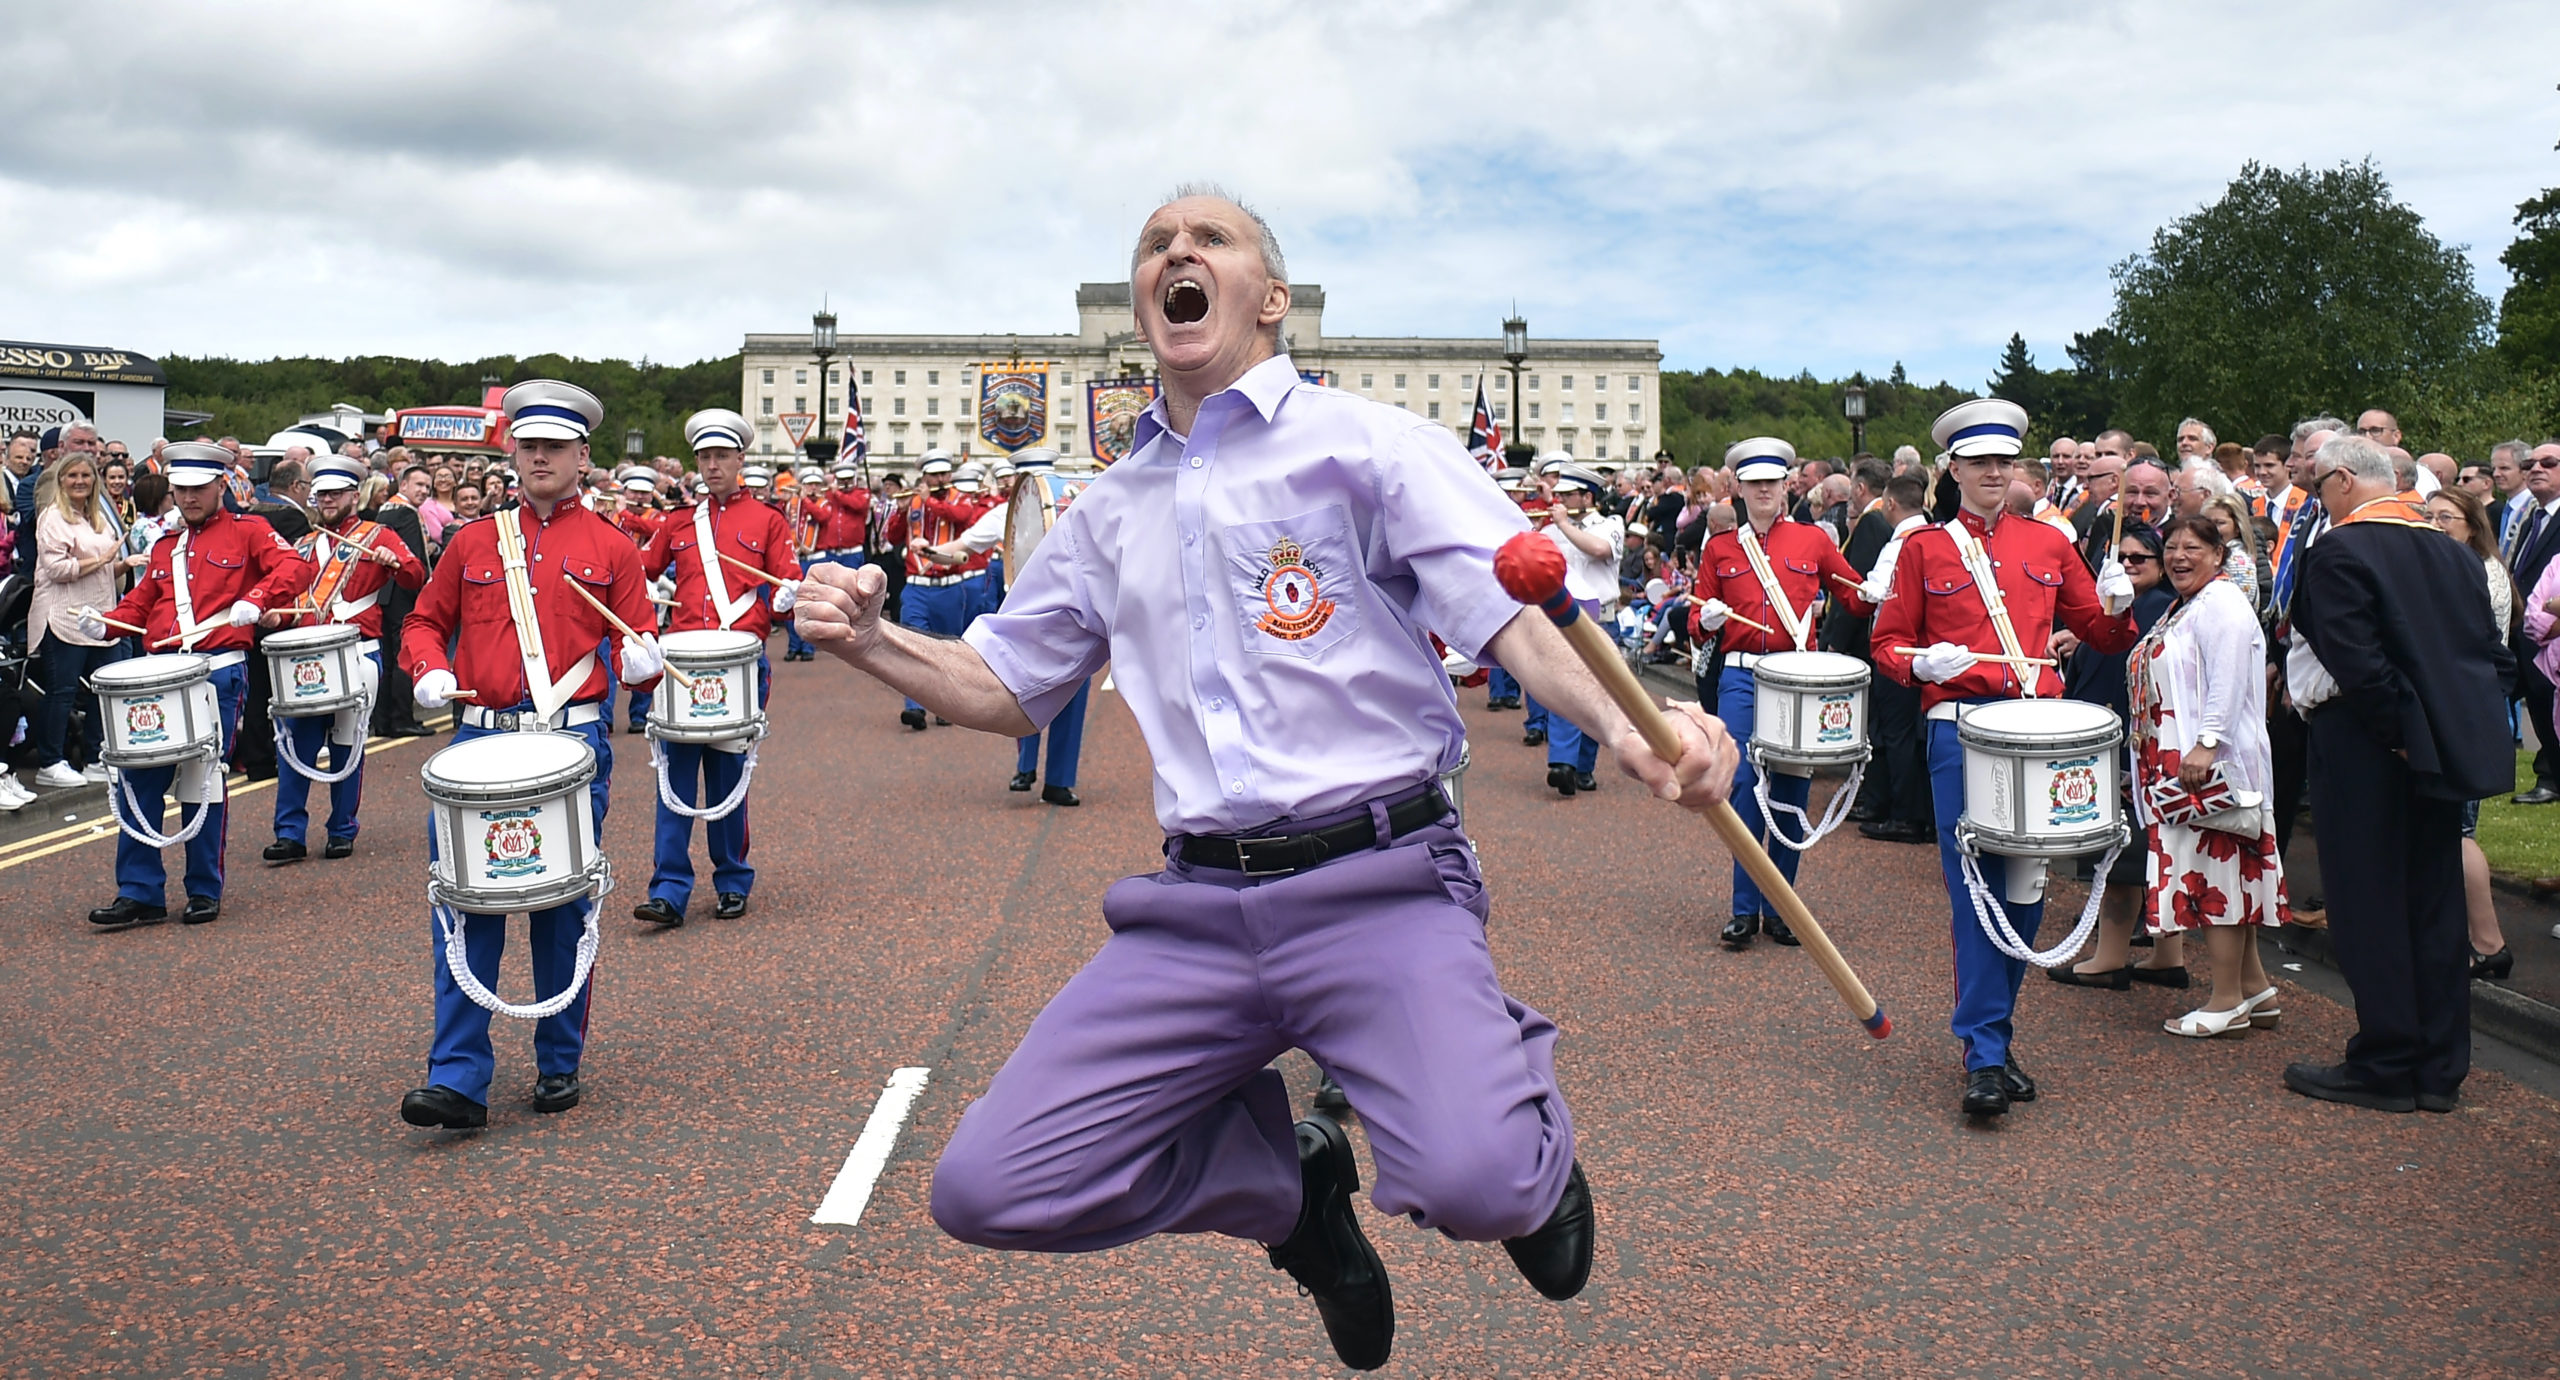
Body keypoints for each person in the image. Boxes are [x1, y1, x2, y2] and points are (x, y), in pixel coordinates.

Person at [792, 188, 1734, 1372]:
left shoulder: (1371, 446)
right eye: (1153, 247)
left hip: (1380, 878)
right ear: (1141, 309)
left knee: (1476, 1182)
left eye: (1210, 240)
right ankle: (1294, 1197)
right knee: (989, 1188)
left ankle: (1520, 1155)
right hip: (1196, 910)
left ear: (1270, 299)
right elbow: (1007, 687)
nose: (1176, 253)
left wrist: (1635, 726)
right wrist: (871, 640)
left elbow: (1516, 613)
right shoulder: (1107, 511)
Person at [397, 381, 660, 1131]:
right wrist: (428, 667)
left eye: (555, 446)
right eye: (528, 445)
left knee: (560, 902)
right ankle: (457, 1079)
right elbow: (423, 621)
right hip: (479, 738)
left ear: (583, 456)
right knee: (464, 899)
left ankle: (558, 1060)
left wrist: (642, 659)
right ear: (512, 451)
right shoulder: (473, 541)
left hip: (570, 737)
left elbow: (637, 637)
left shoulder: (612, 546)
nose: (539, 456)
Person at [1869, 398, 2139, 1118]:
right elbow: (1886, 645)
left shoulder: (2049, 544)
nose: (1992, 472)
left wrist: (2119, 605)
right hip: (1961, 727)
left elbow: (2104, 638)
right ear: (1951, 469)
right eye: (1978, 461)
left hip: (2039, 728)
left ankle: (1993, 1035)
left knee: (2025, 893)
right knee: (1974, 891)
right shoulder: (1923, 548)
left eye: (2003, 461)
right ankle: (1983, 1051)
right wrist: (1921, 665)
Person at [2284, 434, 2513, 1112]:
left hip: (2368, 743)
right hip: (2435, 741)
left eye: (2321, 485)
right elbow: (2483, 656)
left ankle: (2385, 1061)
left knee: (2369, 904)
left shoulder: (2340, 550)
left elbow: (2356, 664)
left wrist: (2398, 735)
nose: (2319, 498)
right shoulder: (2453, 554)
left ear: (2346, 481)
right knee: (2434, 904)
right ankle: (2440, 1067)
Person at [78, 444, 314, 929]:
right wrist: (105, 625)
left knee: (201, 779)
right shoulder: (166, 546)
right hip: (161, 672)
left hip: (217, 671)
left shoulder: (250, 531)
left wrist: (258, 597)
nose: (187, 497)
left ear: (220, 486)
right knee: (138, 777)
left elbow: (294, 568)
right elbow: (141, 605)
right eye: (179, 489)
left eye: (197, 488)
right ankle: (139, 891)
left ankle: (203, 888)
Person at [630, 410, 802, 928]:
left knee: (728, 777)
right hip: (684, 663)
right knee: (674, 778)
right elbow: (640, 572)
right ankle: (669, 889)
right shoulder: (679, 522)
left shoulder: (768, 520)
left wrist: (788, 595)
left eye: (721, 456)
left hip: (737, 664)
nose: (711, 466)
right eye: (704, 457)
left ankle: (731, 878)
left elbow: (786, 586)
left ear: (739, 459)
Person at [1692, 437, 1868, 942]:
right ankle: (1744, 908)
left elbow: (1853, 598)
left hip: (1798, 678)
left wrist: (1877, 589)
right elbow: (1698, 620)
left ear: (1786, 485)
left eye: (1772, 481)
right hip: (1742, 675)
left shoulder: (1813, 541)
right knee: (1743, 788)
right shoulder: (1722, 548)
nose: (1764, 490)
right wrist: (1702, 618)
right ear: (1739, 489)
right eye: (1754, 482)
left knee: (1791, 791)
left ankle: (1782, 908)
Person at [2121, 517, 2289, 1037]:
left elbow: (2229, 677)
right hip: (2182, 765)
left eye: (2192, 547)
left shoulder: (2222, 604)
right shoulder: (2190, 604)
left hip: (2205, 768)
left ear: (2219, 554)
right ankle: (2255, 990)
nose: (2178, 557)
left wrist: (2206, 743)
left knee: (2218, 881)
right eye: (2170, 547)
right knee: (2233, 878)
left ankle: (2226, 1001)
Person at [260, 454, 424, 862]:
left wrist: (397, 564)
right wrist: (275, 614)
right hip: (307, 654)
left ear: (354, 495)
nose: (328, 500)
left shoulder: (378, 535)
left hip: (356, 649)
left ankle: (342, 829)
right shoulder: (301, 544)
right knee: (296, 742)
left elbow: (417, 576)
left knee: (347, 743)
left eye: (336, 493)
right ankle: (290, 833)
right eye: (322, 494)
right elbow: (285, 598)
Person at [2047, 520, 2184, 989]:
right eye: (2119, 558)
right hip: (2134, 744)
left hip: (2128, 744)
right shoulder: (2130, 606)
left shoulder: (2155, 608)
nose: (2127, 565)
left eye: (2138, 559)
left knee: (2122, 861)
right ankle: (2168, 955)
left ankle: (2108, 958)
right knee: (2151, 854)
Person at [920, 449, 1092, 807]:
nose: (1022, 487)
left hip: (1071, 612)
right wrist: (931, 551)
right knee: (1025, 692)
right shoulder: (1004, 513)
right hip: (1024, 615)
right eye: (1019, 482)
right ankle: (1026, 768)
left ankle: (1059, 780)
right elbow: (964, 546)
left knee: (1070, 699)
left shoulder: (1080, 504)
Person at [2426, 485, 2515, 978]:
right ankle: (2462, 938)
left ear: (2471, 526)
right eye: (2430, 516)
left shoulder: (2481, 572)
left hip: (2467, 710)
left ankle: (2489, 942)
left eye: (2447, 518)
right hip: (2457, 705)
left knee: (2459, 828)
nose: (2437, 525)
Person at [28, 452, 144, 792]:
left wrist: (123, 565)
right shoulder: (52, 517)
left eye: (86, 476)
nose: (80, 481)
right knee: (61, 693)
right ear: (60, 481)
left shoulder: (96, 518)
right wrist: (103, 559)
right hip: (63, 616)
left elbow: (105, 566)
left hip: (100, 616)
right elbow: (57, 570)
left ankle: (95, 758)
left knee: (102, 692)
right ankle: (50, 762)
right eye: (72, 476)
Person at [1852, 473, 1935, 845]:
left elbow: (1875, 592)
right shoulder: (1936, 535)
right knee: (1915, 733)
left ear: (1890, 504)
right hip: (1927, 648)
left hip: (1898, 648)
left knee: (1895, 733)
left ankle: (1905, 814)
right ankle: (1919, 811)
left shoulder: (1899, 543)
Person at [1532, 462, 1624, 797]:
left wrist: (1564, 526)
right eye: (1558, 495)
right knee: (1564, 688)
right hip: (1562, 620)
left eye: (1568, 495)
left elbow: (1599, 550)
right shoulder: (1550, 530)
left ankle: (1583, 765)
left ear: (1587, 497)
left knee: (1596, 695)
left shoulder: (1610, 525)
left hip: (1602, 620)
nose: (1561, 501)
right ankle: (1562, 763)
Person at [882, 453, 980, 730]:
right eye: (935, 475)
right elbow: (892, 537)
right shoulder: (912, 499)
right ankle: (914, 707)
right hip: (917, 586)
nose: (941, 479)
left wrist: (929, 501)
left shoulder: (959, 497)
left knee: (947, 649)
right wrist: (901, 511)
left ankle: (944, 705)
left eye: (945, 474)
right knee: (913, 647)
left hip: (949, 586)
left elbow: (961, 517)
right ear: (924, 477)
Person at [2504, 439, 2560, 804]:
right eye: (2530, 464)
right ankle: (2551, 776)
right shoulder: (2531, 517)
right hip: (2527, 632)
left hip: (2553, 634)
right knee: (2538, 707)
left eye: (2548, 462)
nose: (2536, 468)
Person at [787, 458, 872, 662]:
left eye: (848, 479)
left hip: (853, 551)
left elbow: (856, 505)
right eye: (840, 480)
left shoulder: (860, 493)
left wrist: (835, 492)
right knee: (828, 596)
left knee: (854, 594)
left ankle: (853, 635)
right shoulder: (826, 496)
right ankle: (829, 635)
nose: (844, 483)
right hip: (832, 552)